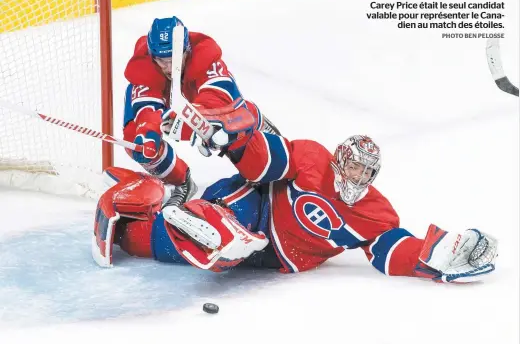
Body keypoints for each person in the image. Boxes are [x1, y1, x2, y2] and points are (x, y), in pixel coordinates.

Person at [92, 128, 498, 283]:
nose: (357, 177)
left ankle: (187, 222)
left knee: (169, 247)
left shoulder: (374, 213)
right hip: (256, 206)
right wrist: (232, 138)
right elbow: (263, 162)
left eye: (365, 172)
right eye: (353, 167)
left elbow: (393, 251)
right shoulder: (310, 158)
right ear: (339, 160)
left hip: (276, 258)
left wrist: (438, 255)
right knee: (147, 240)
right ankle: (195, 216)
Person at [121, 15, 280, 202]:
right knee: (137, 141)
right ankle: (180, 183)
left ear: (186, 49)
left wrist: (197, 117)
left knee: (228, 127)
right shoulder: (145, 65)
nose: (168, 67)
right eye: (161, 60)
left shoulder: (205, 57)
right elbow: (147, 109)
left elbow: (219, 97)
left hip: (207, 101)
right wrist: (149, 132)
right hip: (171, 102)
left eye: (173, 59)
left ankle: (263, 138)